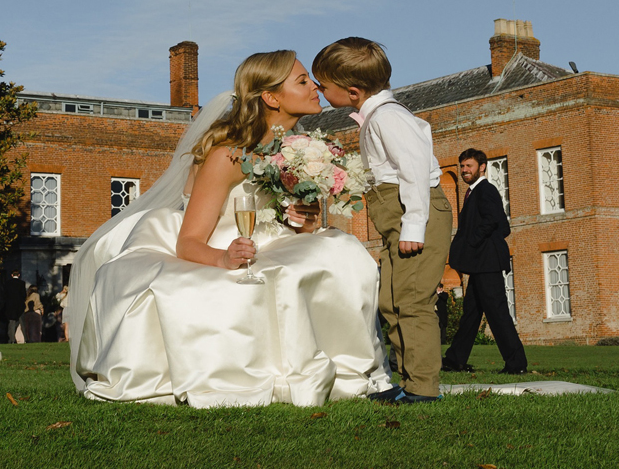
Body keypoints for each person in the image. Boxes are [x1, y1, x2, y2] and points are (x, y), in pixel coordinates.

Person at [69, 51, 390, 408]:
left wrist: (304, 220)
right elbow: (188, 242)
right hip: (218, 249)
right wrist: (224, 257)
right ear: (271, 97)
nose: (314, 86)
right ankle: (283, 375)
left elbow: (295, 225)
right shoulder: (229, 157)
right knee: (290, 269)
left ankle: (347, 368)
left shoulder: (298, 150)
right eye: (302, 81)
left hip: (272, 243)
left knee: (338, 248)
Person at [313, 37, 453, 404]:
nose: (319, 91)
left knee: (413, 300)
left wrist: (413, 227)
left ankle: (423, 389)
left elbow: (415, 170)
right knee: (392, 301)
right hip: (398, 216)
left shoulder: (389, 117)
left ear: (353, 91)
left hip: (415, 215)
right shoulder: (376, 116)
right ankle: (408, 384)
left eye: (323, 85)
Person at [442, 148, 527, 375]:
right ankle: (455, 359)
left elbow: (493, 221)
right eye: (461, 166)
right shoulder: (473, 192)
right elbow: (502, 225)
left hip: (486, 262)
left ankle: (516, 363)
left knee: (497, 312)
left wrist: (471, 242)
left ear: (482, 167)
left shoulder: (485, 190)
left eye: (468, 166)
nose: (464, 170)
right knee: (471, 313)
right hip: (480, 263)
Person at [3, 271, 28, 344]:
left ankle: (12, 339)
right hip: (19, 306)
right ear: (19, 275)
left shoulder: (7, 283)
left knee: (11, 323)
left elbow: (5, 295)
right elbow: (24, 295)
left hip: (10, 306)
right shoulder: (22, 283)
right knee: (22, 323)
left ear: (11, 275)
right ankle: (26, 339)